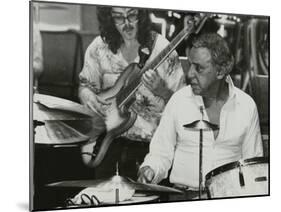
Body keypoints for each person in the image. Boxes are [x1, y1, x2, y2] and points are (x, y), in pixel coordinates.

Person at [137, 33, 263, 200]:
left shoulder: (246, 106)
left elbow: (253, 168)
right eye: (190, 65)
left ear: (221, 70)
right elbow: (160, 153)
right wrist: (150, 169)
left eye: (199, 68)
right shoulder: (179, 100)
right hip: (183, 197)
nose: (189, 74)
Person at [78, 6, 185, 179]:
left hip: (151, 152)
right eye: (118, 17)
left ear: (141, 15)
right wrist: (88, 97)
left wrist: (162, 90)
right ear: (109, 19)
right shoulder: (99, 47)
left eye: (132, 15)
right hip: (107, 145)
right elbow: (85, 87)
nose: (126, 23)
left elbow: (183, 104)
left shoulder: (162, 48)